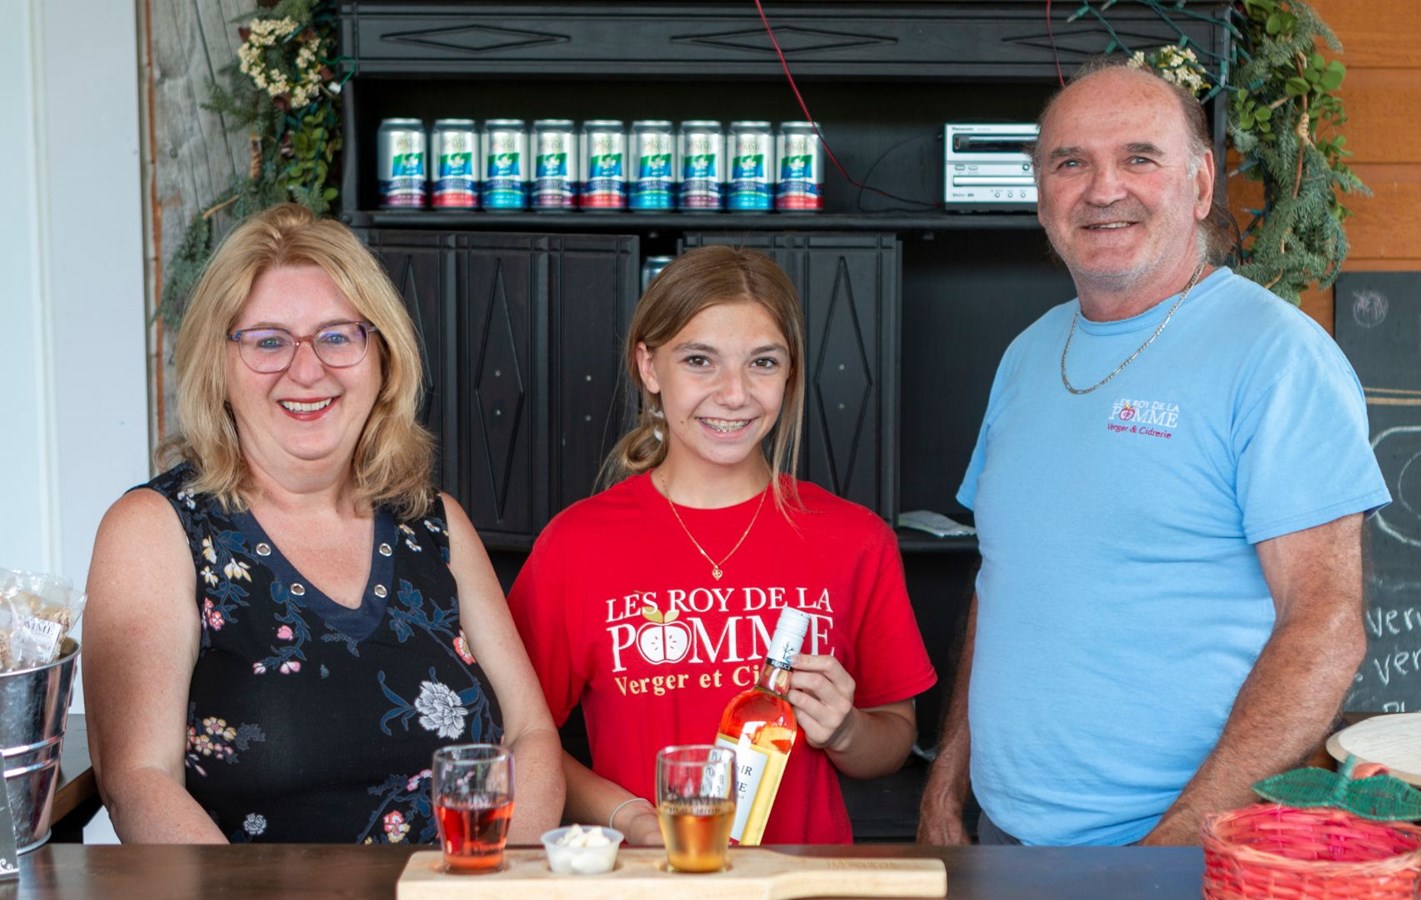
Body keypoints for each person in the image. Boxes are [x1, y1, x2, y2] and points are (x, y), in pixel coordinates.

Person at [916, 59, 1389, 847]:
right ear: (1042, 196)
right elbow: (1007, 584)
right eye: (1071, 163)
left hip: (1178, 852)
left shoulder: (1275, 357)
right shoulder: (1027, 357)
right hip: (1001, 839)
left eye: (1140, 157)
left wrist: (1170, 849)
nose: (1104, 189)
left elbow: (1326, 625)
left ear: (1201, 185)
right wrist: (944, 789)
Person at [83, 203, 564, 844]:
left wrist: (489, 886)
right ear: (218, 367)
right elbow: (139, 781)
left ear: (382, 359)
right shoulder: (155, 531)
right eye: (268, 341)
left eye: (338, 336)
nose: (307, 370)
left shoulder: (434, 521)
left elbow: (531, 738)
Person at [507, 245, 936, 845]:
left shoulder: (855, 539)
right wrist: (629, 817)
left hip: (802, 884)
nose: (734, 394)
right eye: (700, 361)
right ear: (650, 368)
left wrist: (845, 732)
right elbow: (523, 740)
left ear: (789, 373)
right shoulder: (576, 546)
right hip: (646, 885)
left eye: (763, 362)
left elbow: (892, 738)